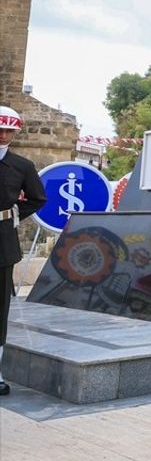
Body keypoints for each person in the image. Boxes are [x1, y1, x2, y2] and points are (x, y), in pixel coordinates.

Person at [0, 107, 47, 396]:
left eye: (8, 130)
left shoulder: (22, 166)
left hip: (1, 243)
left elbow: (38, 198)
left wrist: (12, 214)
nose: (3, 135)